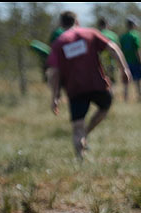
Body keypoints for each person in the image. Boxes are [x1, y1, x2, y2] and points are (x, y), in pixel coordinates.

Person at [46, 11, 131, 159]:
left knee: (77, 127)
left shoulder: (59, 43)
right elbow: (113, 48)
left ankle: (80, 157)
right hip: (96, 84)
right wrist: (124, 69)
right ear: (77, 21)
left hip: (75, 89)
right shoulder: (90, 33)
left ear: (61, 24)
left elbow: (54, 72)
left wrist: (55, 96)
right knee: (104, 107)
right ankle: (87, 132)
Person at [120, 16, 141, 102]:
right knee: (138, 80)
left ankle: (125, 98)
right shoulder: (136, 35)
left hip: (125, 62)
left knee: (126, 82)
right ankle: (139, 97)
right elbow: (138, 50)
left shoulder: (123, 37)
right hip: (135, 62)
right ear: (133, 25)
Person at [97, 17, 119, 83]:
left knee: (103, 81)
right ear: (107, 24)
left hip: (100, 63)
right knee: (112, 81)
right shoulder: (113, 35)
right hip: (111, 62)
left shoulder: (97, 34)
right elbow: (117, 50)